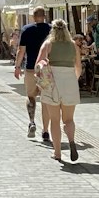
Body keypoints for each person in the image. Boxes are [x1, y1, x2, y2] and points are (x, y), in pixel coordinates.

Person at [35, 19, 82, 164]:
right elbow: (78, 67)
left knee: (54, 120)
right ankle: (72, 140)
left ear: (53, 30)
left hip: (52, 83)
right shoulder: (73, 46)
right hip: (69, 82)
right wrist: (74, 79)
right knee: (69, 119)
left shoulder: (48, 44)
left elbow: (38, 63)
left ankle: (57, 153)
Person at [14, 7, 52, 142]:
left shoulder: (26, 29)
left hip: (31, 68)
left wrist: (17, 66)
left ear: (33, 17)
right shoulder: (51, 30)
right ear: (45, 16)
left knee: (31, 97)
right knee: (46, 99)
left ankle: (32, 122)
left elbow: (21, 50)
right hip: (48, 70)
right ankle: (46, 131)